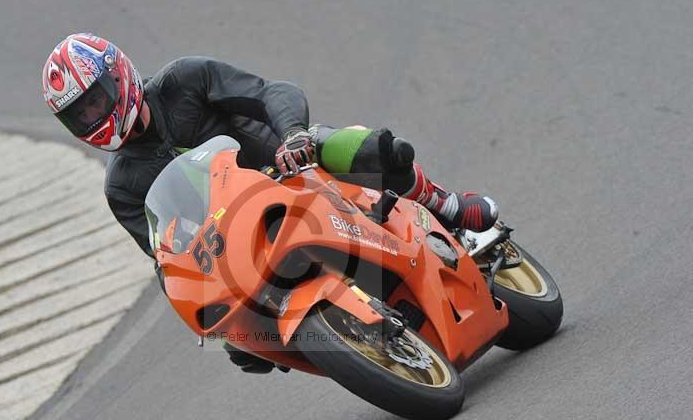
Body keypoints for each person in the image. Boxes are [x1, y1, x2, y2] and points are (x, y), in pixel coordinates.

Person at [42, 33, 499, 373]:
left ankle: (445, 205)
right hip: (242, 243)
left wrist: (292, 136)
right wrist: (223, 327)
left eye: (94, 101)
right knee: (241, 341)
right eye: (79, 115)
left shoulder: (184, 80)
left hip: (290, 167)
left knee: (376, 149)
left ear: (117, 75)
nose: (93, 116)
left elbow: (270, 92)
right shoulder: (122, 186)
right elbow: (165, 259)